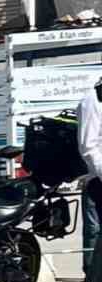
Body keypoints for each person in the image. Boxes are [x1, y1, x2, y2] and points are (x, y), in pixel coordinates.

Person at [76, 76, 102, 271]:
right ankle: (91, 274)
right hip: (97, 179)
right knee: (94, 231)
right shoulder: (92, 100)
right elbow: (88, 146)